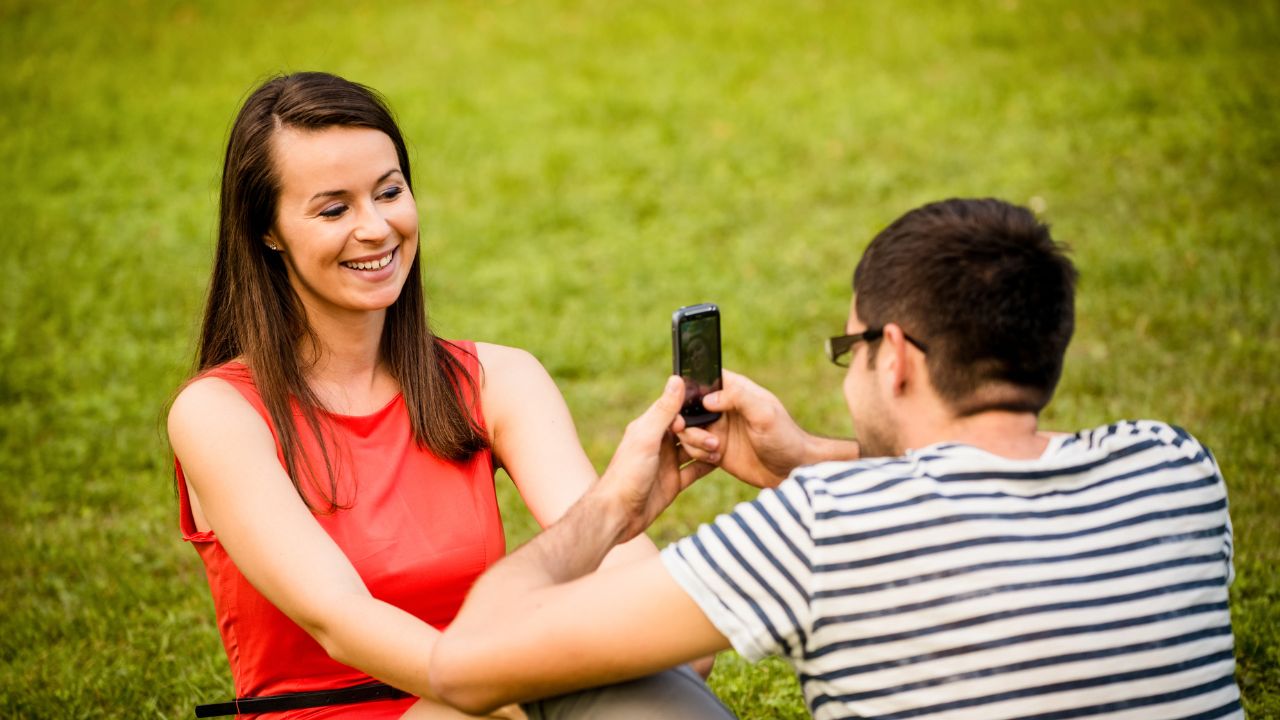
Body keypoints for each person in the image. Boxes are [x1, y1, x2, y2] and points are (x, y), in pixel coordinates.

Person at [430, 198, 1242, 719]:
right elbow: (981, 484)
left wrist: (612, 508)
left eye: (846, 347)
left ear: (895, 358)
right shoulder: (1174, 468)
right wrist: (808, 454)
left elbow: (471, 664)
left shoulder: (824, 526)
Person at [168, 72, 732, 719]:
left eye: (389, 192)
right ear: (267, 231)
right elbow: (339, 621)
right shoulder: (218, 415)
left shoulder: (497, 380)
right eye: (334, 209)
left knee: (649, 688)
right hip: (409, 703)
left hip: (499, 693)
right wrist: (520, 677)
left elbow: (666, 630)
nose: (376, 228)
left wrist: (619, 512)